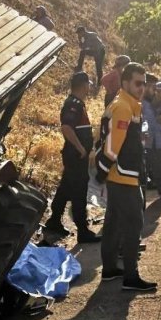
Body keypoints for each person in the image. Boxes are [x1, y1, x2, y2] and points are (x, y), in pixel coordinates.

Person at [96, 62, 157, 292]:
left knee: (113, 223)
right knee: (133, 224)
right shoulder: (123, 106)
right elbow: (112, 145)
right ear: (125, 83)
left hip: (122, 174)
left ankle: (110, 269)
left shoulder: (128, 104)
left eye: (144, 83)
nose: (142, 87)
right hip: (123, 175)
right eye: (137, 83)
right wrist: (102, 172)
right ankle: (131, 277)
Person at [44, 71, 101, 243]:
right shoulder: (73, 105)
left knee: (65, 188)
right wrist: (81, 148)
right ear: (84, 85)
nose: (89, 87)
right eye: (88, 84)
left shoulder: (78, 104)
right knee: (79, 191)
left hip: (75, 156)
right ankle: (83, 231)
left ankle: (54, 221)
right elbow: (67, 128)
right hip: (76, 156)